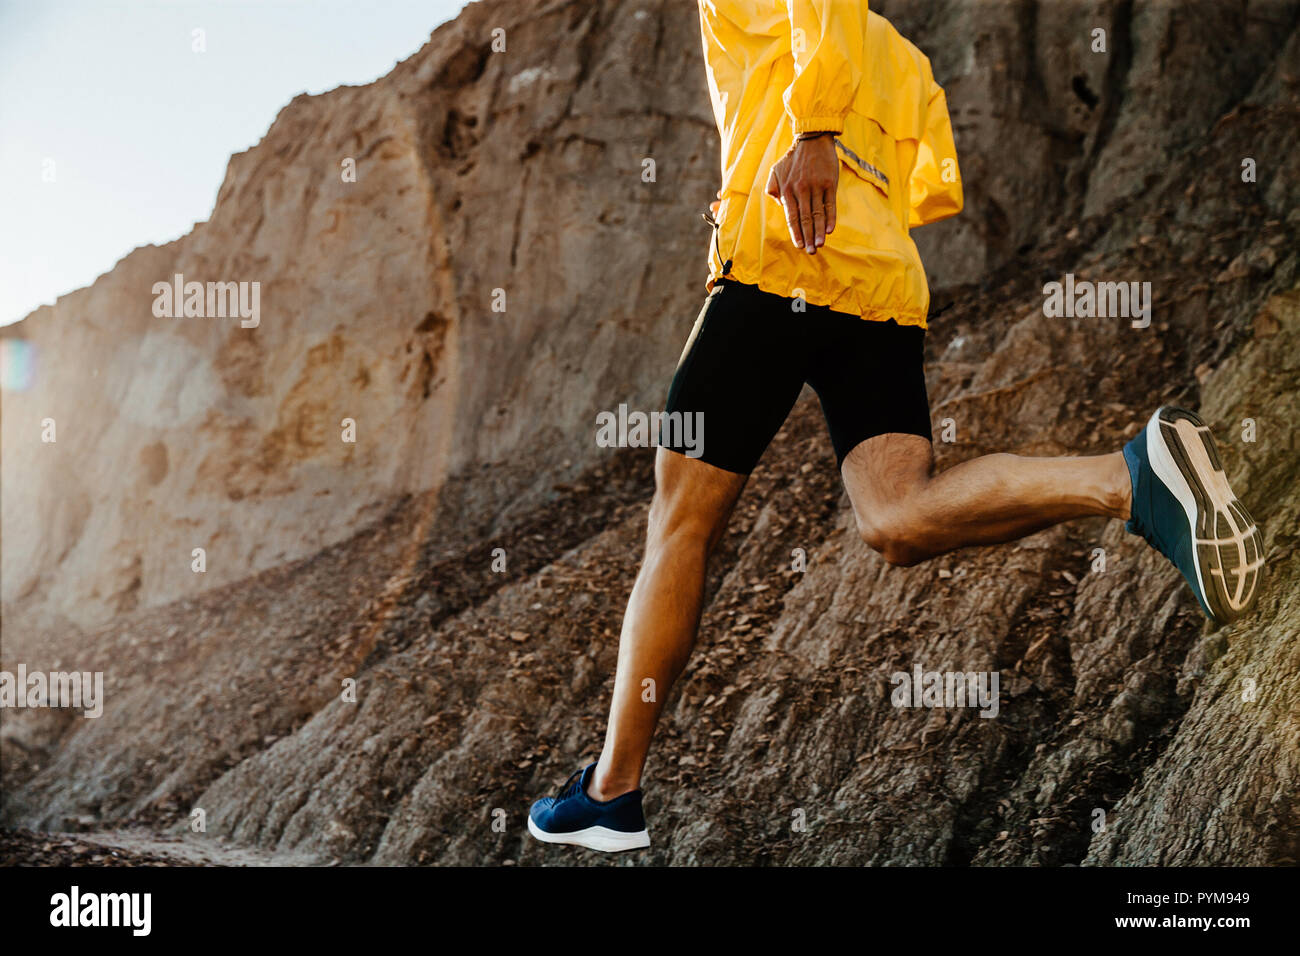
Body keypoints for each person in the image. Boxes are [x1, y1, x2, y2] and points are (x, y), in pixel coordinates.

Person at [526, 0, 1264, 853]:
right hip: (879, 290)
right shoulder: (905, 57)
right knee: (897, 519)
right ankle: (1133, 476)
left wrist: (810, 132)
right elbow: (928, 184)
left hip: (774, 261)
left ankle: (612, 791)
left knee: (679, 524)